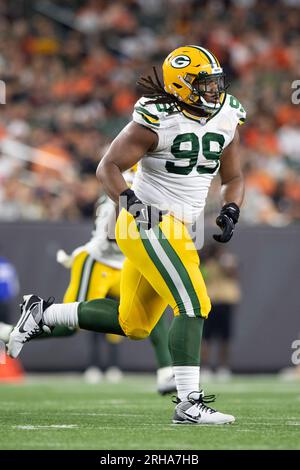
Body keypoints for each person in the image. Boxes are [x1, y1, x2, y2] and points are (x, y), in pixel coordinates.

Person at [7, 45, 246, 425]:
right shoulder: (157, 118)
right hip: (149, 220)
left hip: (181, 226)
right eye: (205, 84)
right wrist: (132, 204)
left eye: (216, 82)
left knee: (133, 323)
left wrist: (232, 206)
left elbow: (233, 177)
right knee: (195, 303)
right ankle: (189, 403)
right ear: (182, 86)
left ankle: (43, 312)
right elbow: (108, 167)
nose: (215, 91)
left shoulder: (227, 115)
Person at [0, 171, 176, 394]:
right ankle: (10, 331)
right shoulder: (129, 185)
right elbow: (114, 233)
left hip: (126, 262)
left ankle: (165, 374)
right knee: (68, 327)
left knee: (152, 310)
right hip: (99, 261)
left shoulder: (141, 181)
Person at [201, 243, 241, 380]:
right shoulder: (206, 264)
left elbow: (233, 274)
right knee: (206, 338)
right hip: (210, 302)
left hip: (225, 302)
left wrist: (223, 262)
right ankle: (205, 367)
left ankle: (223, 367)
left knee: (225, 338)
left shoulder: (228, 260)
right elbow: (202, 277)